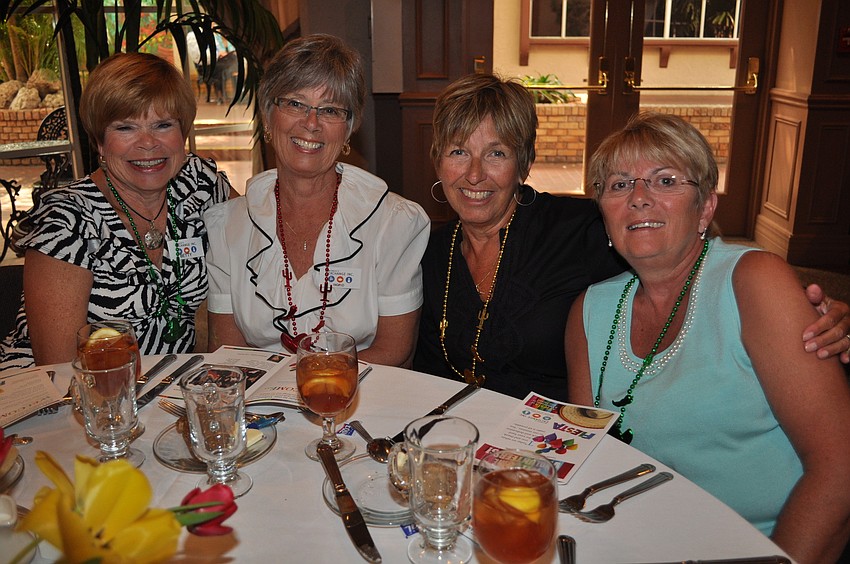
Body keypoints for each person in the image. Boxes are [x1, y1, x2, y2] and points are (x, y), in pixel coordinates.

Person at [413, 73, 850, 401]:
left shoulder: (580, 230)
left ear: (524, 164)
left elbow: (683, 261)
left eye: (496, 153)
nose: (474, 174)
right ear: (437, 162)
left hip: (550, 446)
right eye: (458, 152)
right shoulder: (429, 250)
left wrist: (799, 308)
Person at [566, 112, 850, 563]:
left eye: (665, 181)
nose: (638, 198)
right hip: (635, 540)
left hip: (758, 547)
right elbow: (587, 456)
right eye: (619, 185)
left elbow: (839, 468)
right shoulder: (589, 311)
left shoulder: (755, 283)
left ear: (705, 208)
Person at [204, 34, 430, 366]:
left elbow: (396, 352)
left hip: (360, 391)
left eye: (330, 110)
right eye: (295, 103)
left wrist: (310, 379)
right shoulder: (227, 227)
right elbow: (227, 355)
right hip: (258, 396)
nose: (311, 123)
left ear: (349, 128)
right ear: (268, 116)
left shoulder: (394, 223)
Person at [0, 52, 233, 371]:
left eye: (163, 125)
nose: (148, 143)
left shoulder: (198, 184)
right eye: (126, 128)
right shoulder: (67, 220)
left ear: (183, 133)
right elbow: (61, 369)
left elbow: (266, 230)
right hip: (59, 390)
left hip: (164, 383)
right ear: (99, 142)